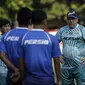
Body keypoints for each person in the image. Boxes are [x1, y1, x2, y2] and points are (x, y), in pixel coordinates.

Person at [18, 9, 62, 85]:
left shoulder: (23, 38)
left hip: (29, 80)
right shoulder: (51, 38)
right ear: (44, 22)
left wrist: (22, 78)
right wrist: (59, 80)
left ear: (31, 21)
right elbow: (57, 61)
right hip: (47, 80)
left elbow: (20, 61)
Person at [1, 7, 32, 85]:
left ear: (17, 19)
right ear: (30, 20)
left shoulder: (6, 35)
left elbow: (2, 55)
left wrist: (15, 69)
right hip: (28, 75)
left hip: (12, 74)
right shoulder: (31, 35)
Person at [56, 10, 85, 85]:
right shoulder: (62, 30)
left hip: (80, 65)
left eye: (73, 18)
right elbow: (54, 43)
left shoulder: (82, 29)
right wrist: (58, 55)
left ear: (77, 19)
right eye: (69, 19)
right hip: (66, 66)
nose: (71, 21)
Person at [0, 18, 11, 85]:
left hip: (10, 69)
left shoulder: (11, 38)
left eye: (8, 26)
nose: (7, 28)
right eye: (5, 26)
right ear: (1, 28)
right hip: (2, 69)